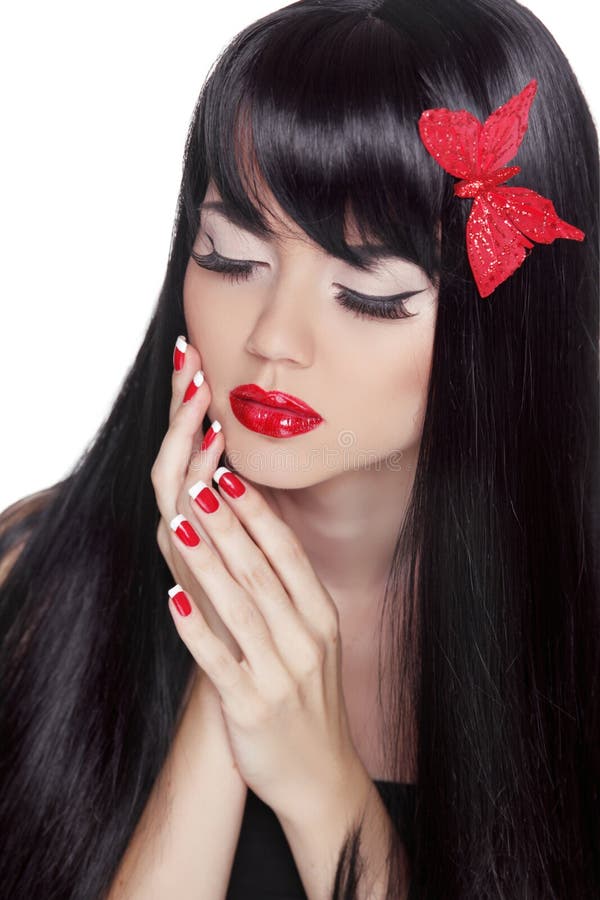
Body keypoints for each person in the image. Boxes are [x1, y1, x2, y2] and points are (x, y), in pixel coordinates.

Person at [0, 0, 598, 897]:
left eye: (368, 293)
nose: (275, 337)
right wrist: (231, 657)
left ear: (506, 330)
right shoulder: (33, 580)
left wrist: (325, 791)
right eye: (230, 257)